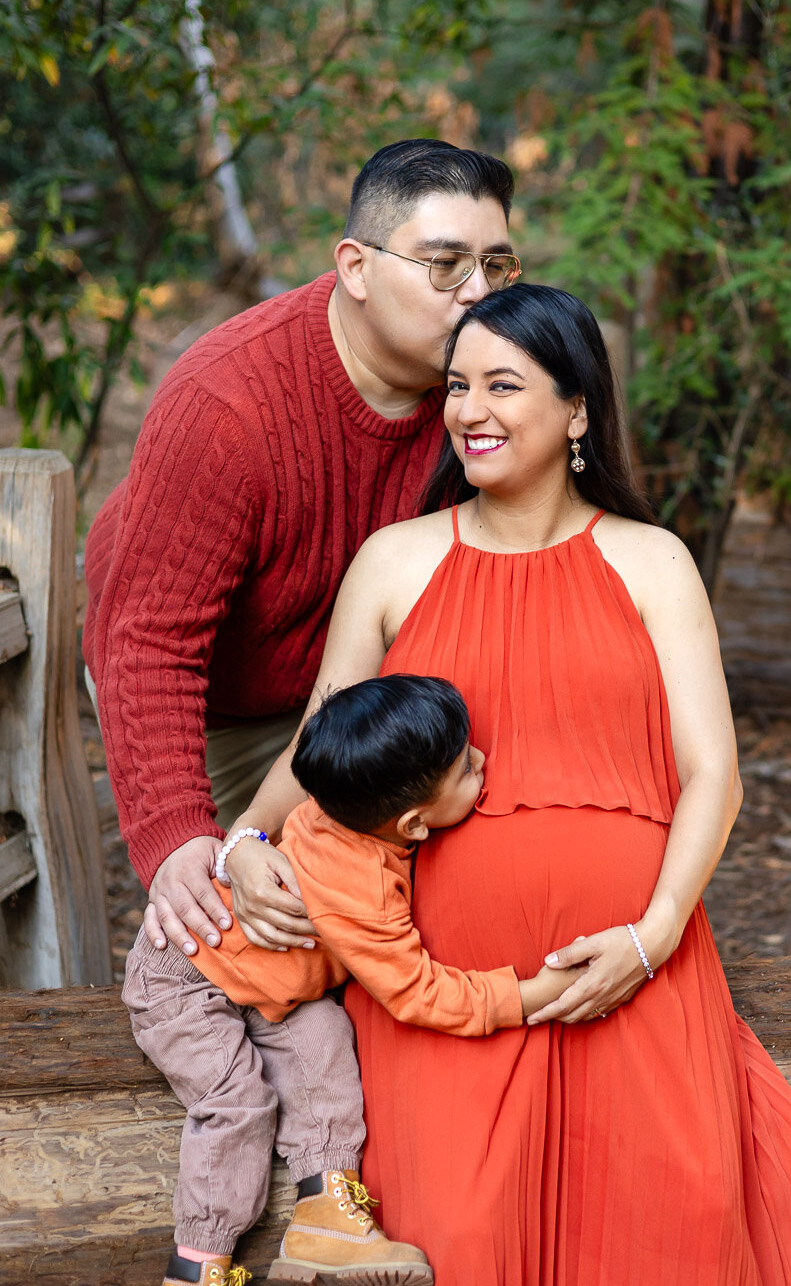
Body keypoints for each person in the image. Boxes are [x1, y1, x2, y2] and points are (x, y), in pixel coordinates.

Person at [221, 283, 791, 1286]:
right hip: (442, 997)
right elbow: (319, 755)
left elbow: (711, 775)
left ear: (576, 410)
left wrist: (650, 935)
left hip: (635, 972)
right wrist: (232, 842)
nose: (468, 408)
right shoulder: (395, 561)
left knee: (683, 1220)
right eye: (456, 385)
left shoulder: (650, 560)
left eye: (501, 385)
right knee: (460, 1255)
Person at [83, 138, 519, 958]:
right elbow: (147, 642)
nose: (479, 294)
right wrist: (177, 834)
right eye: (445, 266)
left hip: (368, 683)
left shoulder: (486, 390)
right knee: (248, 937)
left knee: (437, 900)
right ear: (355, 267)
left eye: (497, 265)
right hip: (224, 695)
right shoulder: (226, 406)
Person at [123, 673, 576, 1286]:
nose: (484, 759)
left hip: (278, 989)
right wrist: (525, 997)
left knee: (326, 1037)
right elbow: (417, 991)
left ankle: (325, 1212)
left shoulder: (337, 790)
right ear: (414, 826)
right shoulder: (356, 889)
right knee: (237, 1104)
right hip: (186, 981)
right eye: (466, 767)